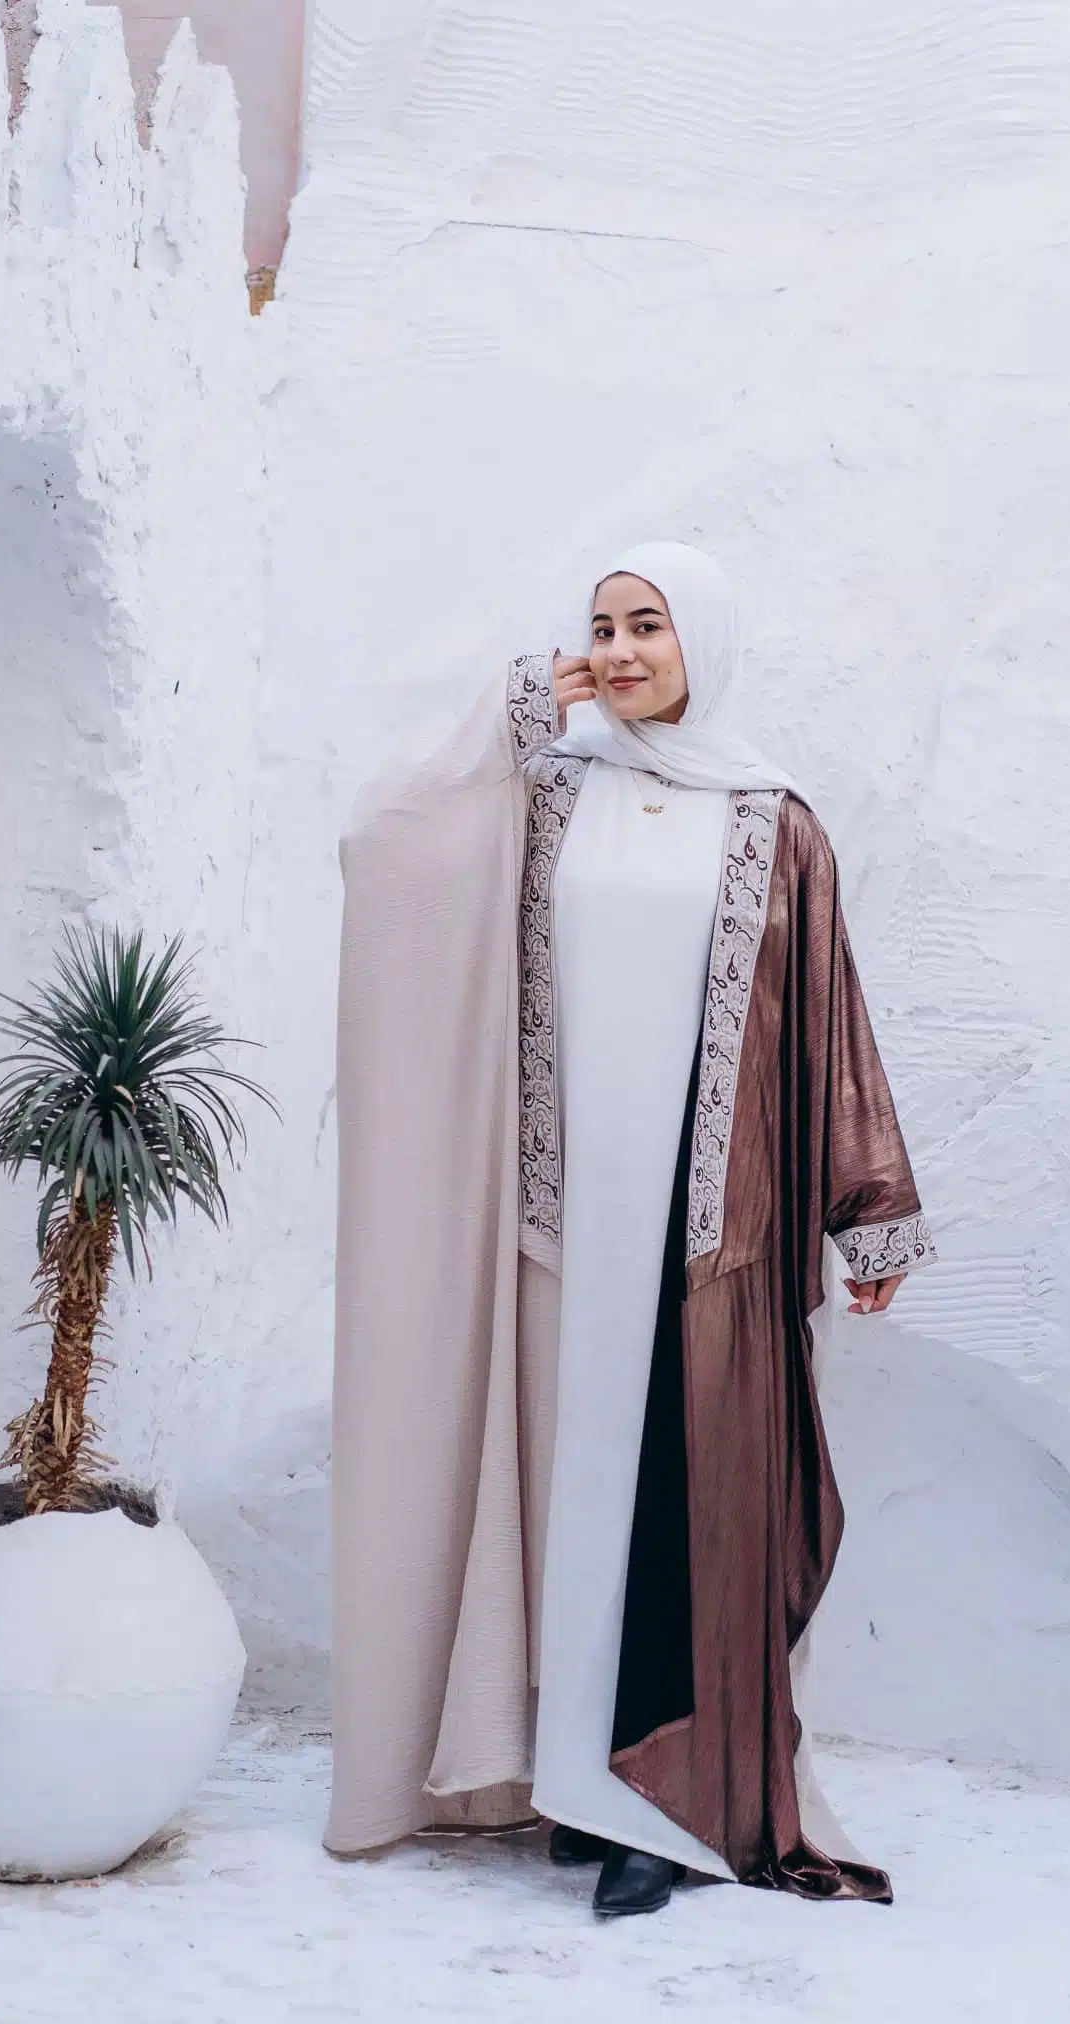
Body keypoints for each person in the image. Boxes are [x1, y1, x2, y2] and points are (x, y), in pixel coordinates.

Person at [327, 541, 935, 1917]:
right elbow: (388, 841)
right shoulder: (548, 795)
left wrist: (870, 1212)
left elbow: (829, 1021)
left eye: (647, 625)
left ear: (699, 641)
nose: (619, 651)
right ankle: (573, 1782)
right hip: (565, 1223)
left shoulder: (774, 821)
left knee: (681, 1513)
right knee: (572, 1507)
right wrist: (512, 712)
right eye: (601, 627)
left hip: (709, 1229)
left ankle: (667, 1810)